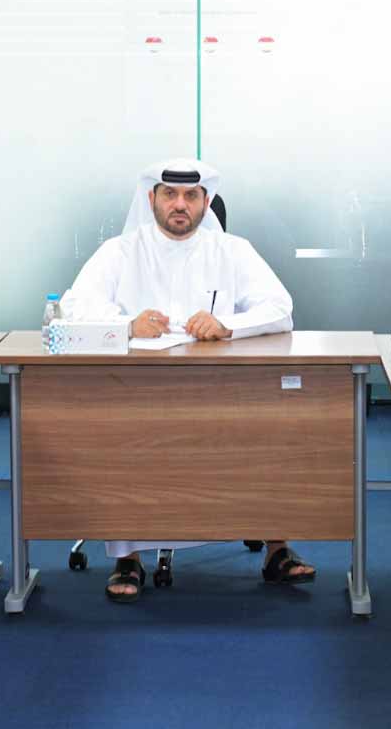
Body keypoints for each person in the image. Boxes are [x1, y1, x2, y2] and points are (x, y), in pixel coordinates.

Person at [60, 159, 307, 602]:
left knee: (267, 431)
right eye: (170, 194)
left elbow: (280, 307)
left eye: (191, 196)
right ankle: (128, 557)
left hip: (219, 390)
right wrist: (127, 325)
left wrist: (228, 325)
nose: (180, 205)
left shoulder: (232, 250)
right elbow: (72, 309)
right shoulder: (120, 251)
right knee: (124, 435)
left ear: (206, 202)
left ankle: (276, 548)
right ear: (151, 198)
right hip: (134, 393)